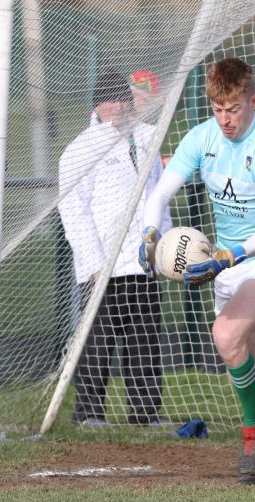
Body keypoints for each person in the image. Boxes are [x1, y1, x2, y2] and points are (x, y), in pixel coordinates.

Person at [139, 57, 255, 485]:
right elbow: (159, 194)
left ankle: (251, 435)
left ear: (253, 100)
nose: (226, 119)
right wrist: (150, 236)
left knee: (226, 335)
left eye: (233, 108)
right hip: (228, 263)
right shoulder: (202, 138)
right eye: (218, 109)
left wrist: (230, 254)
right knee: (245, 352)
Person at [58, 70, 172, 427]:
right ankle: (90, 413)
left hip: (143, 262)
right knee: (99, 341)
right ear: (98, 105)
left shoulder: (147, 140)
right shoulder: (81, 149)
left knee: (144, 343)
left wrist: (163, 249)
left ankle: (145, 413)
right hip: (103, 267)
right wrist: (94, 263)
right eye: (112, 100)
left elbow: (159, 198)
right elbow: (73, 210)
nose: (120, 107)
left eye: (124, 99)